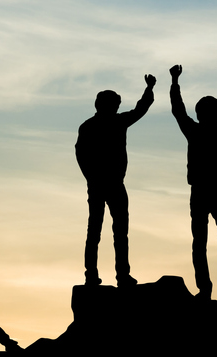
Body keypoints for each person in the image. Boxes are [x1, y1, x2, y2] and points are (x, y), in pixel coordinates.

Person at [170, 63, 217, 306]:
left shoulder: (195, 131)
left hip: (203, 192)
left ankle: (209, 290)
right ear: (215, 112)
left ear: (200, 113)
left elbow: (178, 110)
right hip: (215, 192)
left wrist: (174, 82)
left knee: (202, 244)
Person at [76, 75, 157, 287]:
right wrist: (91, 177)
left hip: (110, 184)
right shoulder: (98, 125)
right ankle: (96, 275)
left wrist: (149, 89)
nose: (115, 107)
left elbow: (140, 109)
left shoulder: (104, 123)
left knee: (113, 231)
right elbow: (81, 154)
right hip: (103, 184)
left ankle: (117, 275)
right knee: (101, 231)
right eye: (114, 104)